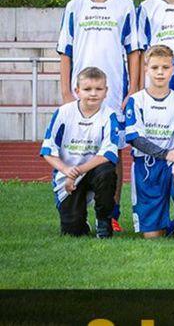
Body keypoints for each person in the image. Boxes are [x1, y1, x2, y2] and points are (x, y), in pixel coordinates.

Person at [57, 0, 139, 233]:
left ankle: (111, 213)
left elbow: (134, 50)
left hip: (114, 91)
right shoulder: (74, 7)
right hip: (79, 93)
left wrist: (133, 88)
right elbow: (65, 51)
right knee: (77, 147)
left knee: (114, 150)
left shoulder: (125, 5)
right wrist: (66, 93)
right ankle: (76, 204)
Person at [124, 45, 174, 238]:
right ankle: (164, 225)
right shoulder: (136, 100)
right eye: (155, 67)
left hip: (173, 162)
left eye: (165, 67)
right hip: (146, 166)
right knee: (153, 237)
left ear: (173, 70)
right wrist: (166, 154)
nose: (160, 72)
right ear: (146, 69)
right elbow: (135, 138)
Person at [40, 67, 119, 238]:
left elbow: (108, 154)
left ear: (106, 91)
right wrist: (67, 170)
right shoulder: (63, 113)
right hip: (66, 174)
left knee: (107, 171)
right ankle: (80, 221)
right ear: (77, 91)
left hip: (93, 171)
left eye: (98, 89)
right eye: (87, 89)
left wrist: (77, 172)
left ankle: (103, 221)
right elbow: (48, 150)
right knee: (73, 232)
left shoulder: (109, 115)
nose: (93, 94)